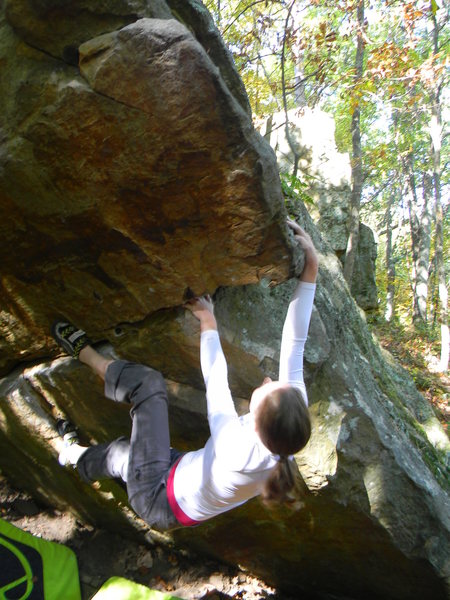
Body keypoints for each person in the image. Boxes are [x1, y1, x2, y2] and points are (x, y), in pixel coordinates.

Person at [53, 218, 318, 531]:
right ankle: (72, 456)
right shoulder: (282, 430)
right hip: (179, 471)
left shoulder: (234, 447)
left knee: (147, 386)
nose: (268, 381)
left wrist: (208, 322)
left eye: (267, 390)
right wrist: (311, 267)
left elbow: (216, 382)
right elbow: (294, 342)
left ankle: (85, 354)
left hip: (158, 498)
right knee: (123, 453)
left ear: (257, 423)